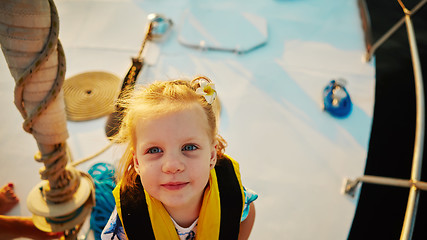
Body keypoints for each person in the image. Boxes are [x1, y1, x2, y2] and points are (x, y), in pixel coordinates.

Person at [101, 76, 257, 240]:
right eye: (154, 150)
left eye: (189, 147)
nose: (172, 165)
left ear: (212, 155)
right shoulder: (126, 224)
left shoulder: (232, 196)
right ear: (137, 162)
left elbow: (246, 215)